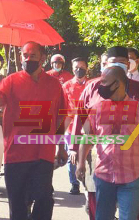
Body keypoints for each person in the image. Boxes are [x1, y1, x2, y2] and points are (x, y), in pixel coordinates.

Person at [70, 46, 139, 220]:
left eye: (123, 62)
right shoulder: (93, 93)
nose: (103, 87)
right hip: (102, 169)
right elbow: (82, 124)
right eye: (113, 61)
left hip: (132, 172)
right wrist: (76, 154)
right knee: (98, 212)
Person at [0, 41, 67, 220]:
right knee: (17, 205)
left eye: (33, 56)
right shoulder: (11, 81)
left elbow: (61, 116)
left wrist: (61, 147)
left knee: (44, 200)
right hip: (16, 154)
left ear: (43, 58)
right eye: (25, 55)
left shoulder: (54, 85)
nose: (28, 59)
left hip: (43, 154)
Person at [61, 57, 89, 195]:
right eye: (76, 67)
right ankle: (74, 183)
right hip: (71, 127)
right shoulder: (66, 86)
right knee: (71, 156)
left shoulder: (91, 85)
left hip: (88, 129)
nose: (79, 69)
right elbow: (63, 108)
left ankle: (87, 183)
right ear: (72, 69)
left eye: (82, 67)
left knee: (86, 156)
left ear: (87, 68)